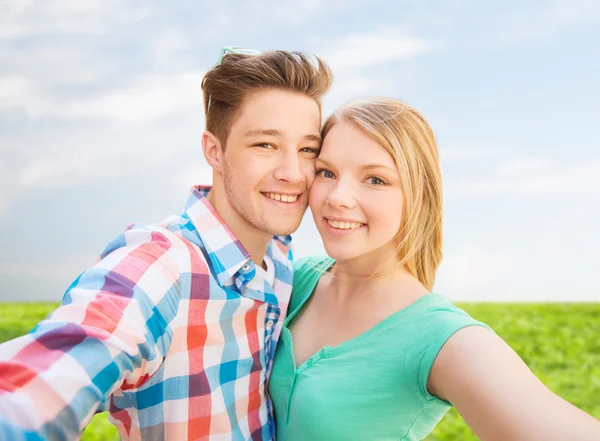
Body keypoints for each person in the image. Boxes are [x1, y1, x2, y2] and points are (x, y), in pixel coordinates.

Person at [0, 47, 332, 441]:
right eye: (265, 145)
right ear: (214, 151)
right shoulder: (163, 265)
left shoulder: (280, 262)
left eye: (307, 149)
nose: (293, 173)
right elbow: (46, 380)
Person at [268, 98, 600, 441]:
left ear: (419, 196)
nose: (338, 196)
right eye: (327, 172)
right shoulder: (294, 279)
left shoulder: (440, 337)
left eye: (375, 180)